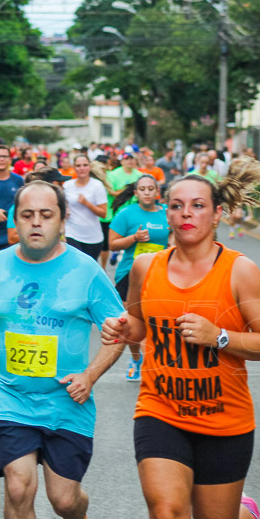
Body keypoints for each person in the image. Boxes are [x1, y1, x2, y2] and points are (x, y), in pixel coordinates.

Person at [100, 159, 260, 519]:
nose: (187, 215)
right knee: (166, 517)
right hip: (160, 409)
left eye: (198, 206)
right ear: (166, 213)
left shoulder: (240, 272)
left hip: (225, 420)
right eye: (177, 206)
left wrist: (218, 336)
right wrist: (122, 327)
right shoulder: (146, 266)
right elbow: (139, 323)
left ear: (217, 213)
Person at [0, 180, 126, 519]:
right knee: (19, 489)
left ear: (63, 219)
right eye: (27, 215)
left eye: (46, 215)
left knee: (63, 498)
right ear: (15, 221)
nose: (36, 223)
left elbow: (118, 332)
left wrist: (90, 375)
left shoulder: (85, 270)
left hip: (66, 403)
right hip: (12, 400)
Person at [108, 173, 169, 381]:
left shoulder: (166, 214)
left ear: (157, 192)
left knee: (156, 321)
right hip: (130, 275)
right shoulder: (127, 214)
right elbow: (112, 244)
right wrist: (134, 238)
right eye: (142, 189)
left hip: (159, 274)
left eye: (150, 189)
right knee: (132, 322)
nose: (146, 192)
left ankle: (155, 362)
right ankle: (136, 358)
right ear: (136, 193)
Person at [62, 155, 108, 260]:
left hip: (93, 237)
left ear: (90, 167)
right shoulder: (67, 185)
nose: (81, 168)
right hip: (72, 233)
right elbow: (62, 206)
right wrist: (65, 211)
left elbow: (103, 213)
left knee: (89, 270)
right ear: (74, 167)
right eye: (78, 165)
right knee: (75, 266)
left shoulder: (97, 186)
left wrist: (87, 203)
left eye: (85, 165)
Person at [103, 152, 143, 267]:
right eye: (126, 159)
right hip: (118, 211)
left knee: (132, 236)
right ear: (122, 161)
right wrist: (127, 189)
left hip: (135, 211)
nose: (129, 161)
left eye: (132, 159)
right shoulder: (113, 175)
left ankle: (127, 259)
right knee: (119, 237)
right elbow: (112, 192)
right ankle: (116, 252)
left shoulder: (139, 175)